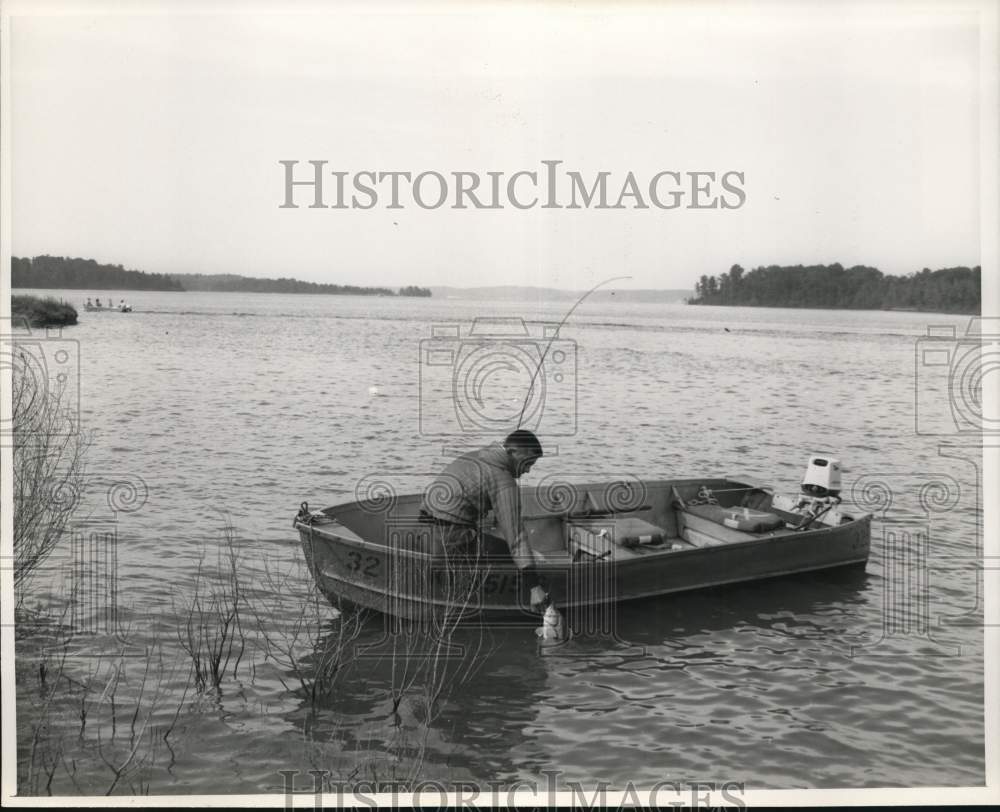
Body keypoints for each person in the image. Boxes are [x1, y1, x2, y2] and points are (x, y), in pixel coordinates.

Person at [420, 429, 547, 611]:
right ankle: (519, 596)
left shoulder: (477, 455)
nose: (527, 470)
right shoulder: (504, 481)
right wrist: (534, 586)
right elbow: (517, 537)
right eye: (527, 463)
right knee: (516, 555)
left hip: (424, 524)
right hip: (451, 536)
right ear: (512, 453)